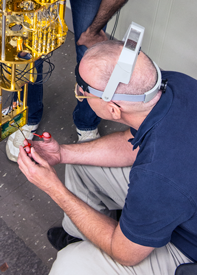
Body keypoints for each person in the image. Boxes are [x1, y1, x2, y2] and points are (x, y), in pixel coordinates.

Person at [17, 40, 197, 275]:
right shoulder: (175, 85)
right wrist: (63, 154)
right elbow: (130, 143)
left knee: (69, 266)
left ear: (113, 109)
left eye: (83, 91)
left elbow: (125, 254)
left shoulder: (157, 175)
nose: (80, 92)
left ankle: (94, 247)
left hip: (188, 246)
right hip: (178, 197)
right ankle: (81, 236)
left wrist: (53, 188)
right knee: (80, 162)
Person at [5, 0, 159, 162]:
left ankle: (87, 124)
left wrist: (93, 30)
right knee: (30, 46)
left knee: (92, 51)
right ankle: (26, 118)